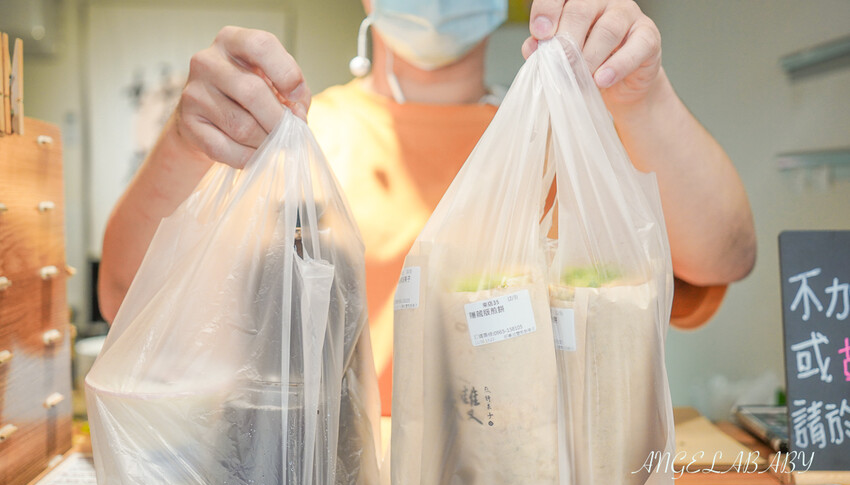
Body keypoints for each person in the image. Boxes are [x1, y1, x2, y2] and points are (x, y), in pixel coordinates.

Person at [98, 0, 757, 416]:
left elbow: (723, 256)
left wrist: (641, 93)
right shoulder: (297, 137)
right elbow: (128, 298)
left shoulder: (565, 144)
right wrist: (187, 140)